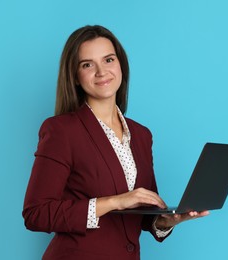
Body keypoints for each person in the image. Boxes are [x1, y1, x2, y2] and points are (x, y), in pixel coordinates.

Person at [22, 25, 209, 260]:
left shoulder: (141, 135)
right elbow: (36, 214)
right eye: (87, 64)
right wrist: (114, 201)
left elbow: (142, 214)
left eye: (108, 59)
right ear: (76, 77)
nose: (101, 71)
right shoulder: (61, 130)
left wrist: (166, 220)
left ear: (121, 65)